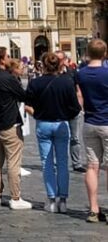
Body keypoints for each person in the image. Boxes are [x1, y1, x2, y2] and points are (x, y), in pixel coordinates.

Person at [25, 52, 80, 214]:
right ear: (60, 65)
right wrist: (65, 116)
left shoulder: (35, 83)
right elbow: (75, 108)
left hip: (43, 124)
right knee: (62, 163)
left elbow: (27, 104)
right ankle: (62, 200)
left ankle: (51, 200)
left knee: (46, 163)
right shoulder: (66, 82)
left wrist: (38, 114)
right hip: (61, 124)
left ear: (43, 65)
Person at [0, 47, 31, 210]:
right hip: (9, 123)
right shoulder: (8, 78)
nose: (10, 57)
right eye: (8, 55)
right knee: (13, 162)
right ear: (2, 60)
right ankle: (15, 197)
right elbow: (24, 96)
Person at [77, 39, 108, 223]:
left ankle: (94, 209)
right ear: (104, 54)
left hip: (89, 121)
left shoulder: (81, 73)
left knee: (92, 166)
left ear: (88, 53)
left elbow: (79, 95)